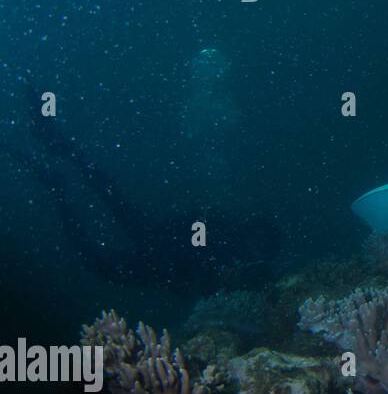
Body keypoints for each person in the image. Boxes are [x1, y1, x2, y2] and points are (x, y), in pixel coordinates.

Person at [4, 84, 279, 292]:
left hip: (157, 245)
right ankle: (59, 170)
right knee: (102, 238)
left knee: (110, 199)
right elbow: (194, 254)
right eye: (258, 248)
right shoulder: (229, 244)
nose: (255, 257)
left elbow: (193, 243)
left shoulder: (231, 240)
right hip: (158, 253)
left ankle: (61, 158)